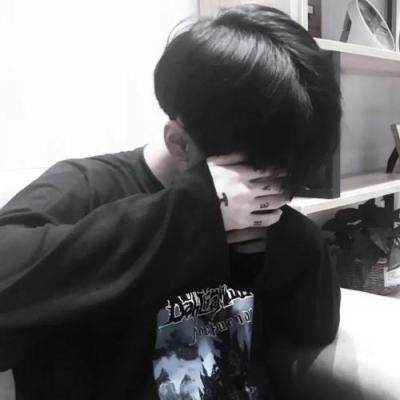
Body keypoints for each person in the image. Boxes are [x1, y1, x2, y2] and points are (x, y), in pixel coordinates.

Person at [0, 4, 341, 400]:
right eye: (254, 178)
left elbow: (317, 326)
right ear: (179, 143)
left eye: (281, 182)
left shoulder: (262, 214)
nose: (271, 196)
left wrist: (287, 241)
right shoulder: (88, 187)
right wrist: (192, 213)